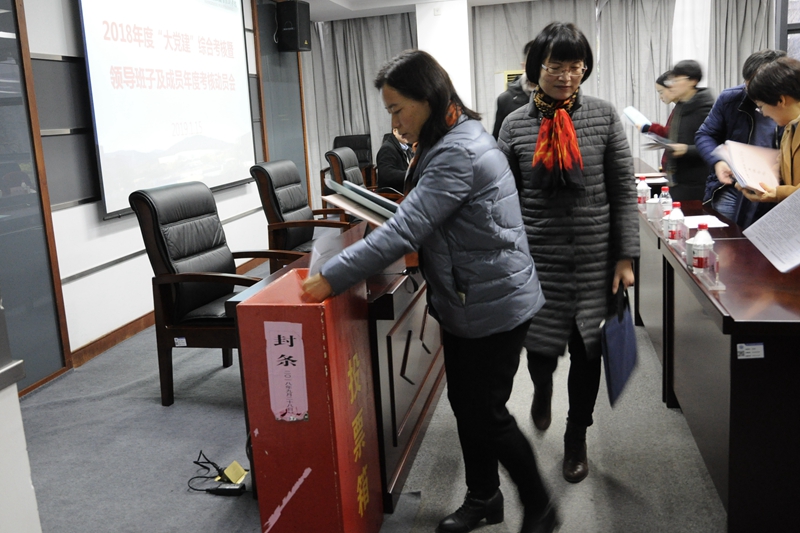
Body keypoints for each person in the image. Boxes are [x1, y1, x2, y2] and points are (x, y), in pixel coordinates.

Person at [301, 50, 558, 533]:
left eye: (398, 109)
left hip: (492, 303)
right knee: (468, 406)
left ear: (428, 98)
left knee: (487, 415)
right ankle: (484, 497)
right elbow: (422, 212)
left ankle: (541, 506)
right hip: (471, 296)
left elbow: (407, 228)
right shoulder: (453, 135)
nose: (395, 123)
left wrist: (331, 276)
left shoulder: (457, 151)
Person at [497, 22, 639, 484]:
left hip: (595, 258)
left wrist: (625, 257)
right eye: (556, 66)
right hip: (536, 260)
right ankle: (541, 389)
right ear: (536, 67)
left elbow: (622, 188)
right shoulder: (515, 124)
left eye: (576, 66)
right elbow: (501, 197)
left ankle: (576, 435)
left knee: (587, 352)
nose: (566, 76)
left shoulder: (603, 115)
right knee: (540, 351)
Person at [695, 50, 785, 225]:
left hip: (776, 190)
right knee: (727, 239)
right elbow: (705, 134)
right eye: (748, 85)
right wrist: (718, 161)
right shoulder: (731, 99)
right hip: (732, 187)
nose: (752, 92)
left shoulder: (790, 107)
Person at [738, 56, 800, 203]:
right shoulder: (790, 127)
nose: (764, 114)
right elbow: (782, 166)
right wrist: (754, 179)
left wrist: (779, 193)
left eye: (761, 106)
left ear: (781, 100)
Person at [662, 60, 715, 201]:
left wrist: (686, 150)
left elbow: (716, 145)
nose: (672, 84)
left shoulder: (706, 107)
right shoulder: (681, 105)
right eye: (671, 80)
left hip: (698, 185)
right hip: (677, 181)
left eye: (676, 80)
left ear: (693, 81)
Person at [492, 40, 537, 139]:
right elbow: (497, 139)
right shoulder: (506, 99)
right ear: (524, 66)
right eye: (533, 63)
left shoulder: (556, 97)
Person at [637, 72, 675, 172]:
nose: (660, 97)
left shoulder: (685, 108)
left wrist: (650, 128)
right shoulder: (677, 109)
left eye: (661, 92)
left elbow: (673, 133)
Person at [375, 127, 413, 193]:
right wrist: (410, 175)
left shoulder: (408, 149)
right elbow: (386, 175)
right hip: (394, 195)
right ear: (395, 131)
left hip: (406, 191)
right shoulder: (387, 149)